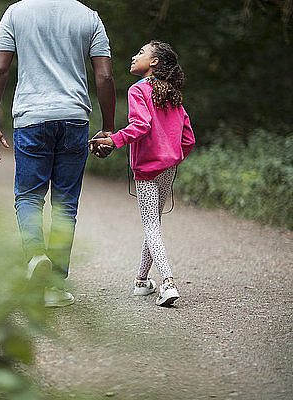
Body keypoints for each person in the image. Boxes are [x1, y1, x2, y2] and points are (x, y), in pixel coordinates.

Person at [0, 0, 116, 307]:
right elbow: (105, 77)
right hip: (75, 118)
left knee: (29, 196)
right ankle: (55, 285)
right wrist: (108, 127)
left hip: (32, 118)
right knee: (65, 203)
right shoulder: (89, 17)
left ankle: (35, 255)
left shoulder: (15, 13)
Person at [90, 40, 195, 306]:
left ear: (155, 62)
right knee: (154, 224)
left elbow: (141, 126)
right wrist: (173, 155)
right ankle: (141, 281)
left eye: (141, 53)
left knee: (151, 225)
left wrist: (114, 141)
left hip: (147, 169)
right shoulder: (171, 94)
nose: (134, 56)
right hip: (169, 167)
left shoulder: (138, 90)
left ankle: (168, 282)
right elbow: (188, 138)